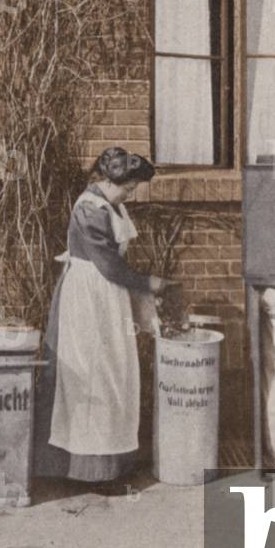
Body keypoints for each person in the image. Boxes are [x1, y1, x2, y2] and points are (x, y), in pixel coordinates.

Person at [34, 147, 175, 483]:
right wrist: (147, 283)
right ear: (110, 180)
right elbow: (109, 265)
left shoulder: (112, 206)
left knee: (113, 372)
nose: (131, 194)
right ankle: (88, 471)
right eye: (128, 187)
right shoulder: (89, 209)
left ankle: (112, 462)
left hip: (106, 296)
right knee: (92, 375)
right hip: (87, 299)